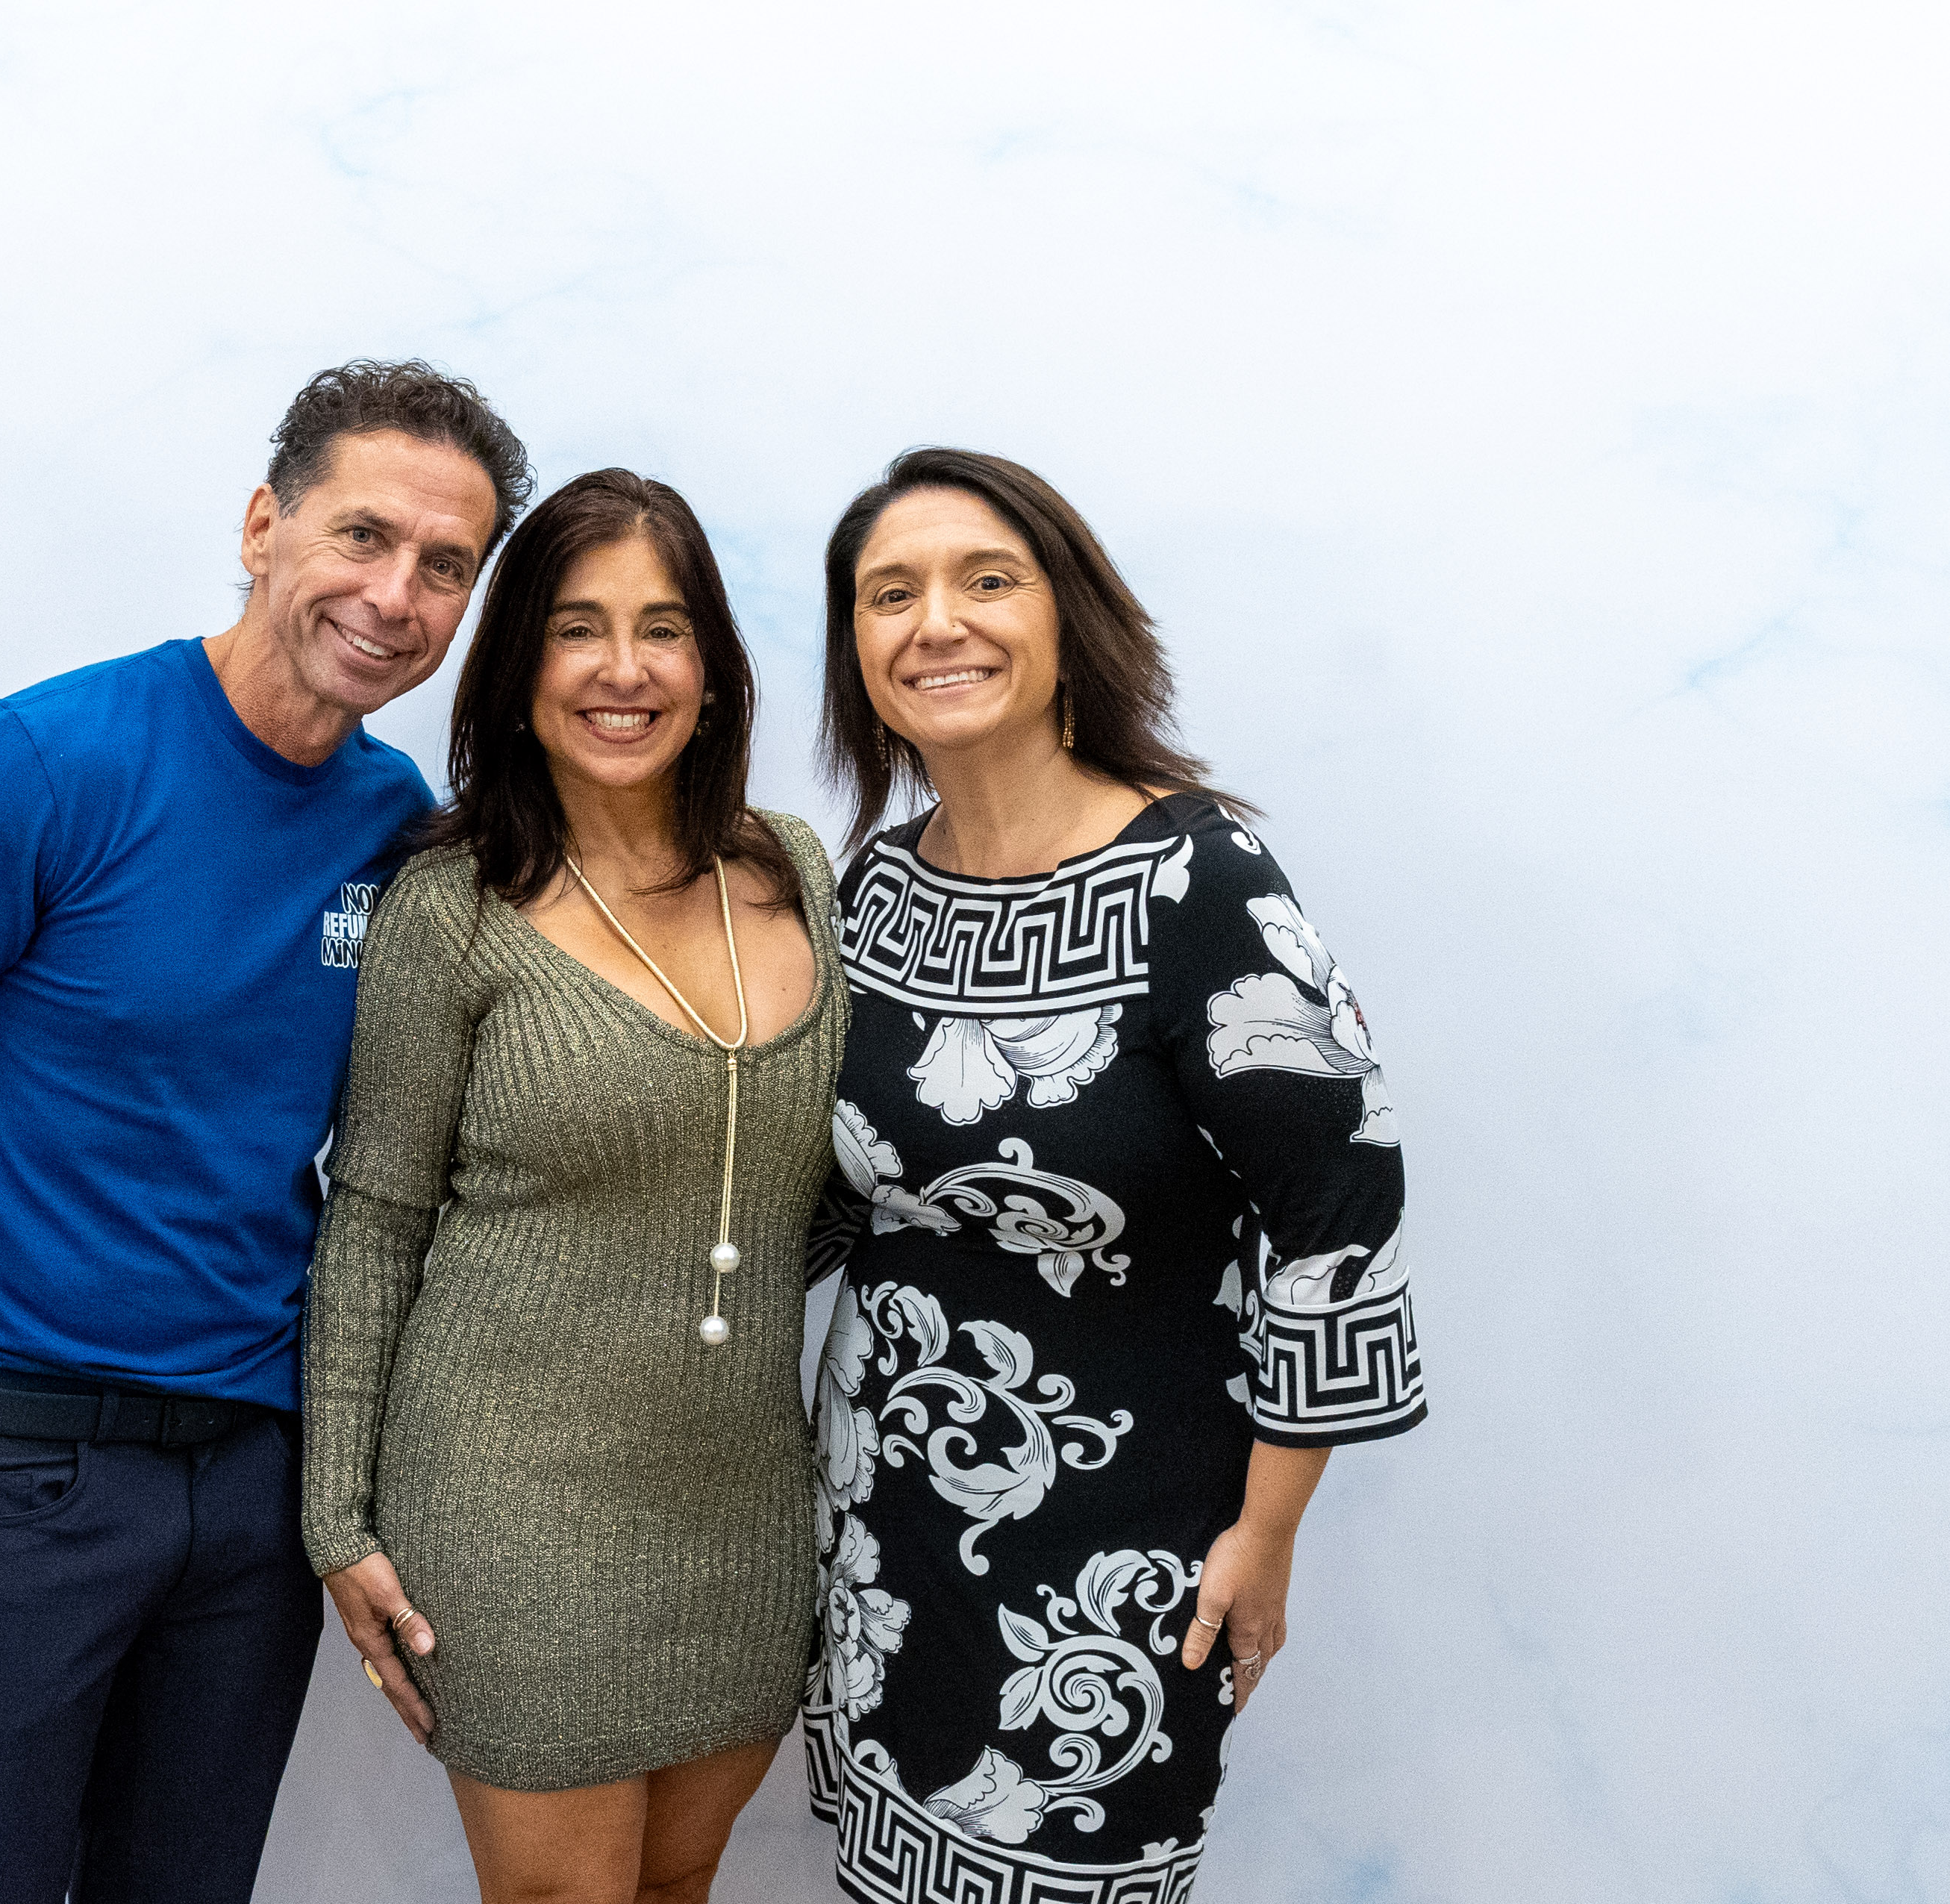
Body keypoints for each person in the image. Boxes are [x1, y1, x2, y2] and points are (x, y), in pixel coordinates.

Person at [0, 360, 531, 1903]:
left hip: (251, 1486)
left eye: (444, 565)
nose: (394, 594)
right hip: (12, 1470)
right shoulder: (45, 763)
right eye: (362, 535)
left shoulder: (395, 828)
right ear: (261, 525)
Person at [801, 449, 1425, 1903]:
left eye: (984, 580)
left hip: (1122, 1548)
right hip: (882, 1514)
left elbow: (1337, 1209)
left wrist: (1265, 1534)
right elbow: (825, 1187)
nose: (935, 622)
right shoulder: (875, 887)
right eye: (889, 594)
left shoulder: (1195, 881)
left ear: (1066, 614)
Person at [301, 469, 844, 1904]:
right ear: (517, 671)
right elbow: (374, 1220)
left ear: (713, 670)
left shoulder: (796, 872)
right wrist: (335, 1520)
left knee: (677, 1885)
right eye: (575, 628)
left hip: (743, 1509)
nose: (623, 669)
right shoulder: (452, 907)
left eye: (662, 628)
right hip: (510, 1508)